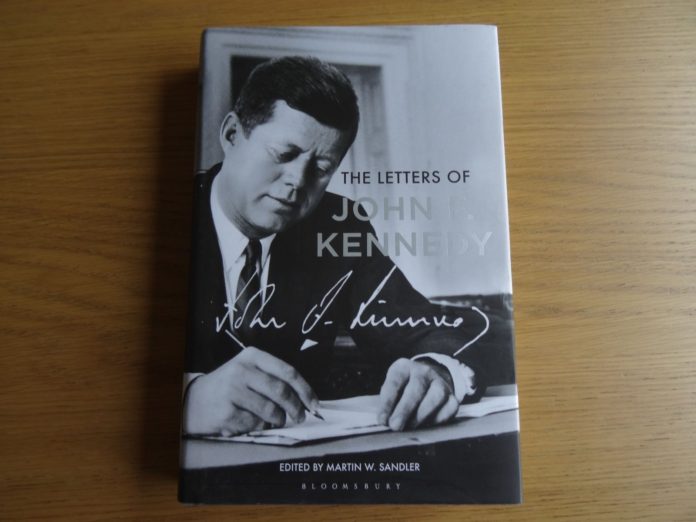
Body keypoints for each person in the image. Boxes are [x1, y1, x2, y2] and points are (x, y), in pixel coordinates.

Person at [182, 56, 488, 437]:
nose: (297, 181)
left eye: (322, 168)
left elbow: (427, 327)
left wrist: (437, 368)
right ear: (231, 135)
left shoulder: (337, 226)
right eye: (284, 154)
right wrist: (187, 399)